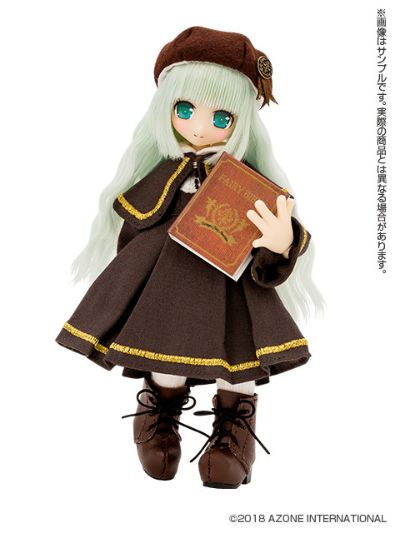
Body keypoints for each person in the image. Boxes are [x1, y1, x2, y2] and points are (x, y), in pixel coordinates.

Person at [55, 26, 324, 489]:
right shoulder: (162, 176)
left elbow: (272, 264)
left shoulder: (246, 184)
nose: (200, 128)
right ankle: (160, 411)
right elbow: (135, 228)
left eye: (222, 117)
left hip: (233, 286)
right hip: (169, 285)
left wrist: (280, 242)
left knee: (238, 359)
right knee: (165, 349)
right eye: (185, 110)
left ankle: (234, 429)